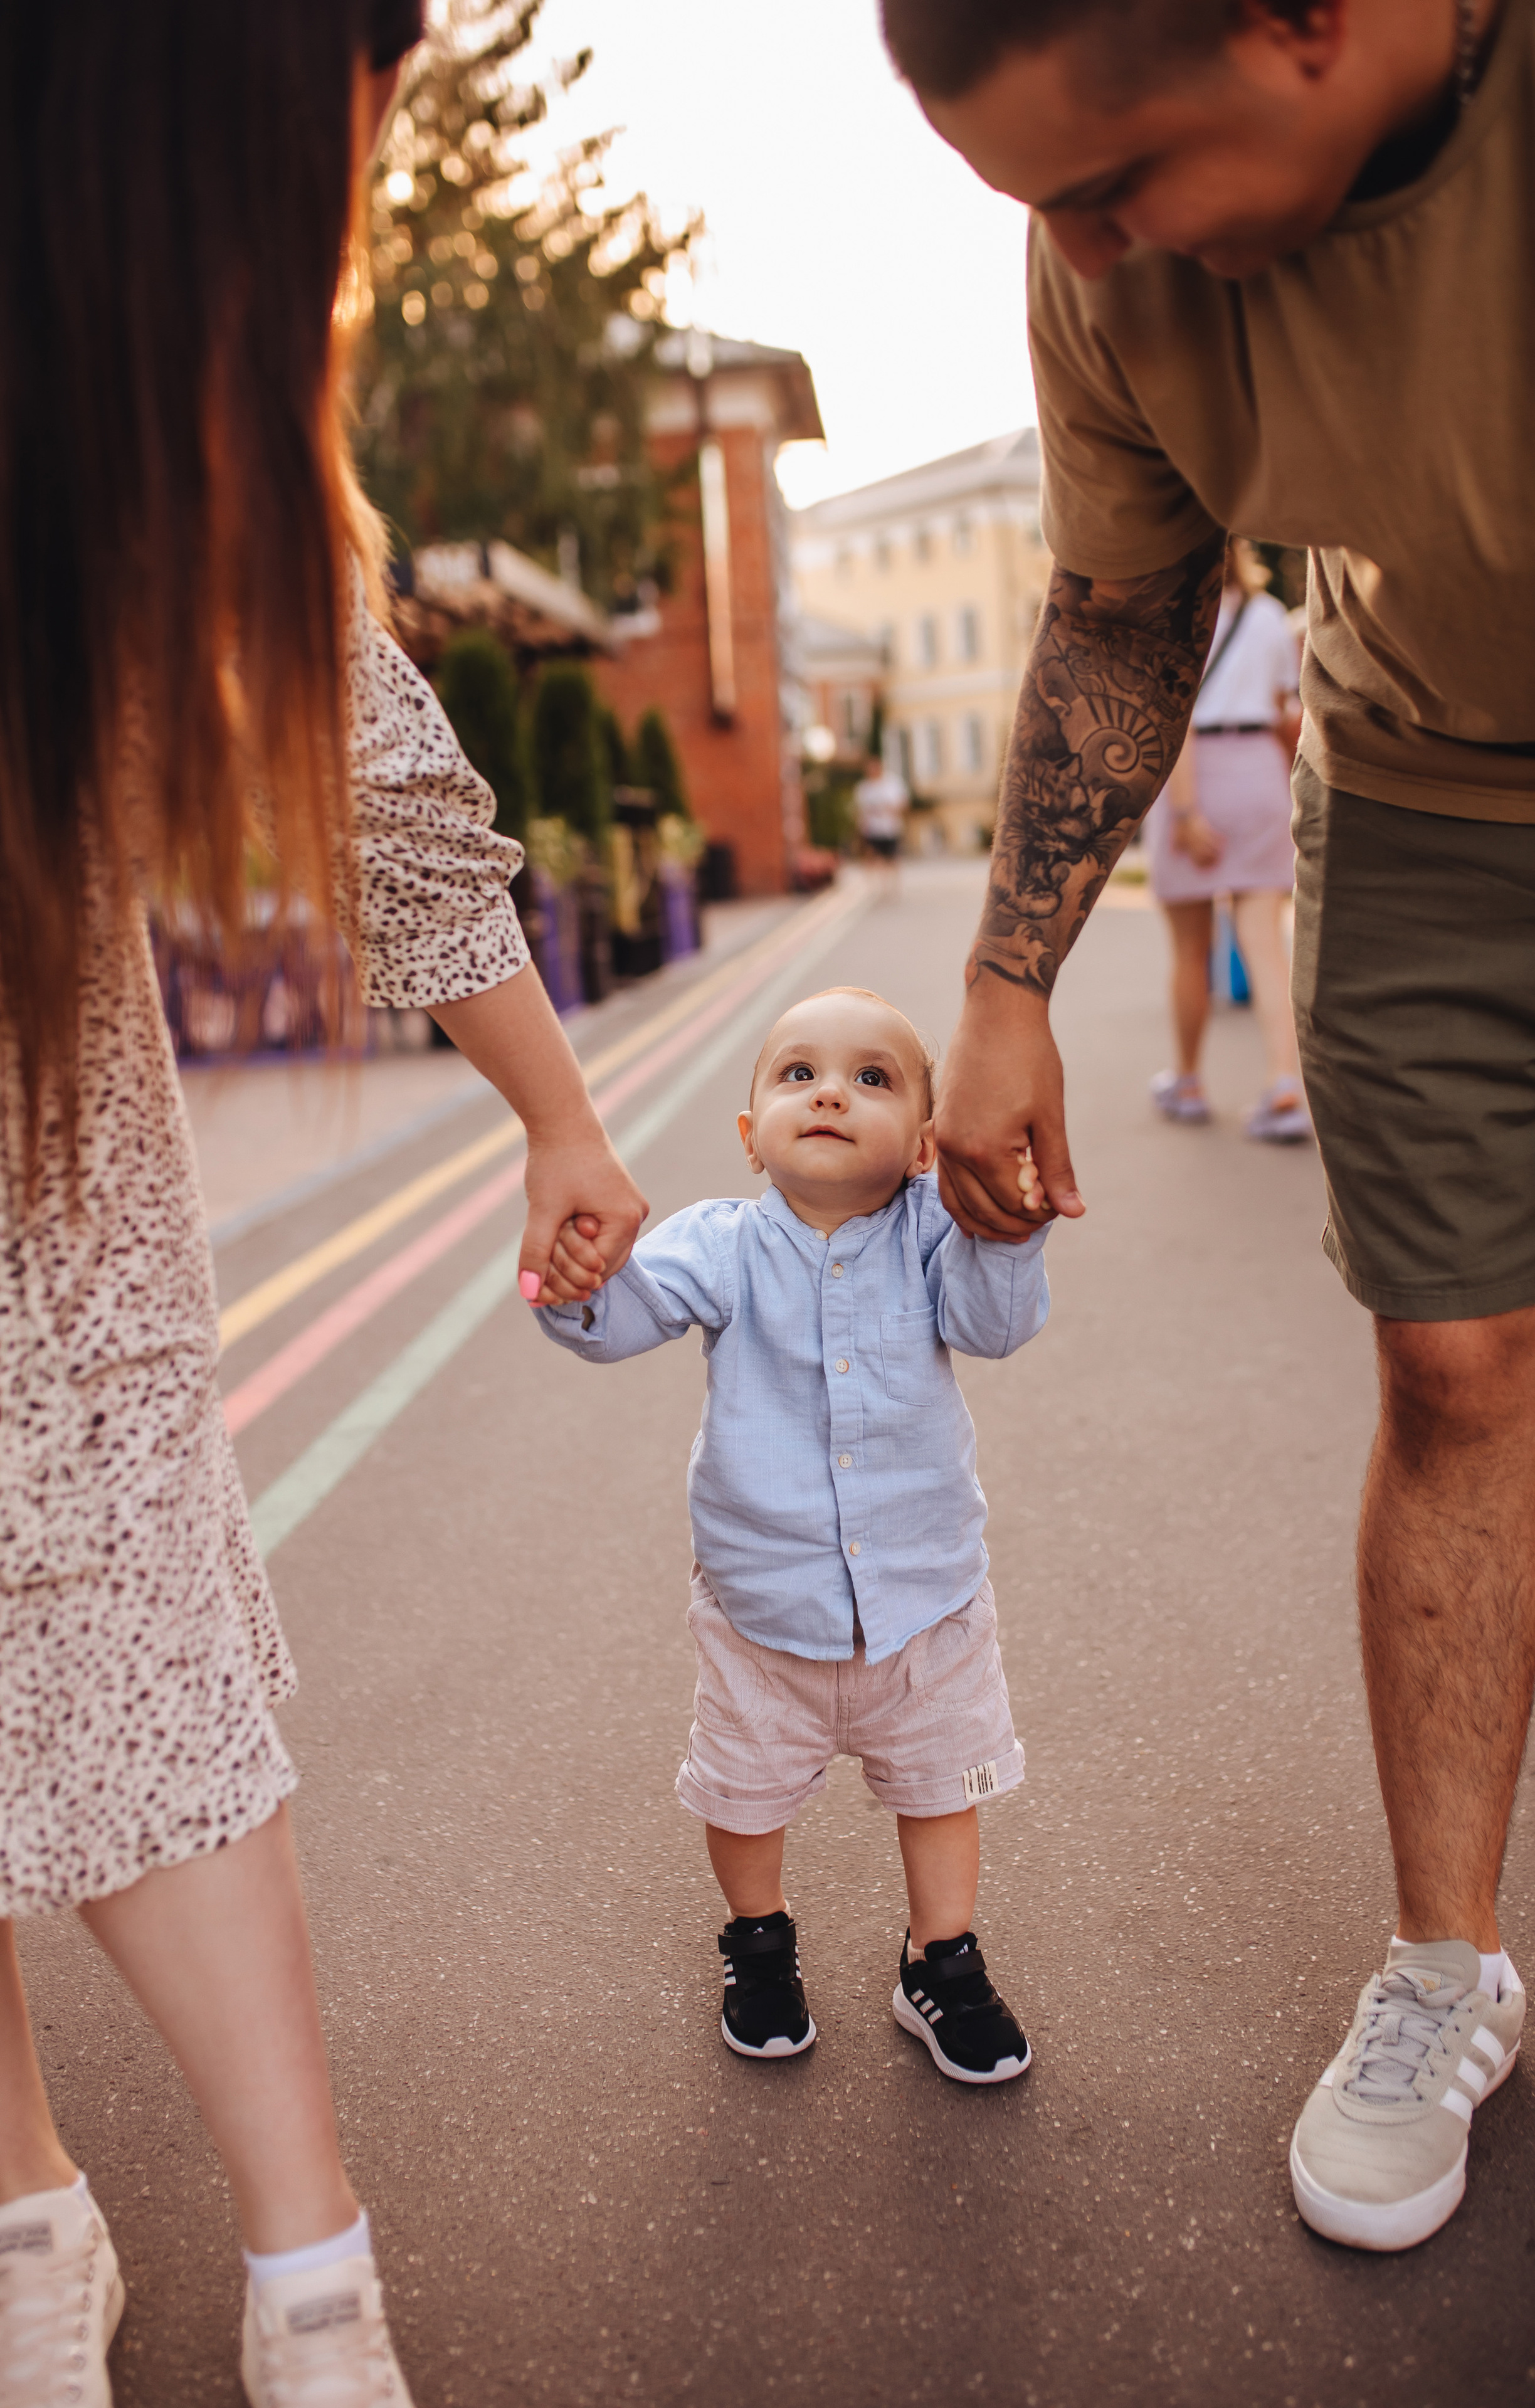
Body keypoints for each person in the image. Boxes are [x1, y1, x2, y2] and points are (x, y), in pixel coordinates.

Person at [0, 6, 645, 2403]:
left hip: (47, 1179)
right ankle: (32, 2229)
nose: (341, 192)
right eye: (343, 117)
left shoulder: (177, 421)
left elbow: (401, 809)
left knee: (151, 1699)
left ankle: (306, 2277)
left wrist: (560, 1115)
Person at [880, 0, 1530, 2252]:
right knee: (1451, 1367)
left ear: (1300, 25)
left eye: (1103, 180)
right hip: (1431, 792)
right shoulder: (1098, 268)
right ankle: (1441, 1971)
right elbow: (1124, 593)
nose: (1075, 247)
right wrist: (998, 984)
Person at [530, 986, 1046, 2083]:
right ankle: (758, 1944)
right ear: (750, 1135)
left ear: (922, 1145)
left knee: (940, 1788)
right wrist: (574, 1280)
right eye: (796, 1073)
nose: (829, 1091)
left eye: (872, 1078)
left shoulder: (934, 1233)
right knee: (743, 1793)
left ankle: (940, 1959)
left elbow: (996, 1327)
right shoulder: (718, 1245)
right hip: (764, 1612)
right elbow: (619, 1321)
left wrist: (1009, 1224)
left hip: (925, 1603)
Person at [1146, 535, 1310, 1141]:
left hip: (1195, 773)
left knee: (1191, 951)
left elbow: (1176, 714)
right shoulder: (1269, 615)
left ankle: (1188, 1081)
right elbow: (1286, 710)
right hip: (1261, 775)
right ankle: (1286, 1085)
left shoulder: (1174, 616)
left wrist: (1186, 811)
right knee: (1266, 944)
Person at [853, 753, 912, 868]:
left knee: (892, 859)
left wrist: (891, 810)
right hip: (872, 829)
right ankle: (875, 884)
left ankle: (891, 885)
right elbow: (860, 810)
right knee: (872, 858)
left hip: (891, 828)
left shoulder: (893, 783)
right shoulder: (863, 787)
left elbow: (904, 804)